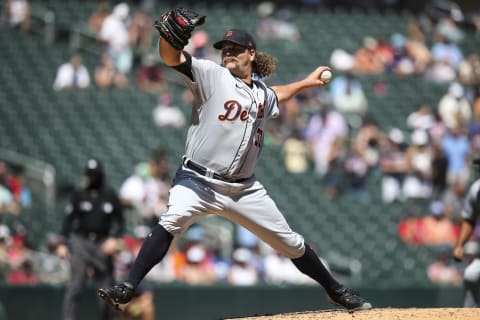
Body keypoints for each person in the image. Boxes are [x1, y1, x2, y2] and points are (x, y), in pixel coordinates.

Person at [98, 8, 372, 312]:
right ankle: (129, 285)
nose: (227, 53)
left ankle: (335, 290)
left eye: (234, 49)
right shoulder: (212, 75)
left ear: (251, 54)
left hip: (244, 190)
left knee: (291, 243)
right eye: (224, 49)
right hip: (198, 180)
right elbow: (171, 58)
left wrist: (306, 84)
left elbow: (276, 95)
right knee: (171, 220)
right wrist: (169, 38)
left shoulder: (261, 94)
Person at [57, 159, 125, 320]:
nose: (92, 177)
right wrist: (62, 243)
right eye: (89, 173)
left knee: (106, 291)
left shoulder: (109, 194)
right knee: (75, 287)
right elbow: (68, 220)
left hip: (102, 244)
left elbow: (121, 222)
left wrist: (114, 239)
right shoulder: (79, 194)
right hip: (82, 242)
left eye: (95, 174)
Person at [453, 158, 480, 307]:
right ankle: (470, 315)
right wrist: (460, 245)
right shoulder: (476, 189)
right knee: (471, 274)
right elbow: (469, 219)